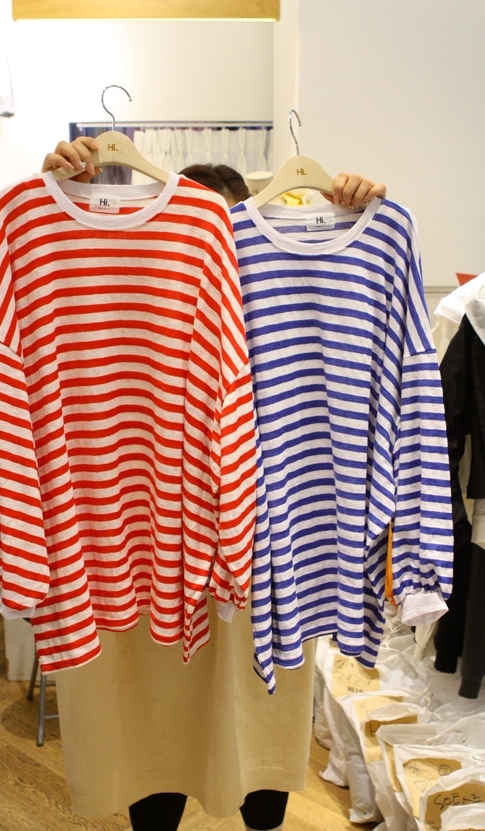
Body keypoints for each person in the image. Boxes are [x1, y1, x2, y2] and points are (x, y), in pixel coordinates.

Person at [38, 138, 387, 831]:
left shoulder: (286, 268)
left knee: (259, 739)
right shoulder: (155, 270)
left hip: (269, 554)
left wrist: (352, 211)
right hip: (152, 544)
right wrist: (60, 194)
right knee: (154, 732)